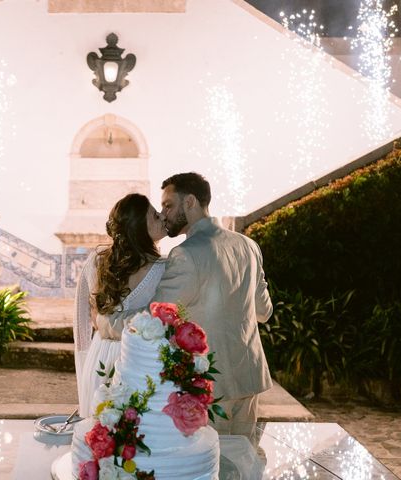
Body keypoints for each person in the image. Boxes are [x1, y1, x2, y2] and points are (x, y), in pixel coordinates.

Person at [102, 172, 273, 444]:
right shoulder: (248, 246)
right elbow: (264, 312)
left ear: (190, 202)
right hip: (250, 379)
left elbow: (155, 319)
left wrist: (108, 323)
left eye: (169, 205)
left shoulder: (186, 254)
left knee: (210, 467)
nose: (164, 214)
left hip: (210, 385)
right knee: (245, 463)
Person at [73, 193, 167, 417]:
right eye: (154, 215)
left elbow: (82, 323)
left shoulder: (96, 260)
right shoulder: (165, 268)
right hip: (138, 359)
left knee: (101, 434)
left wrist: (86, 365)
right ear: (138, 227)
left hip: (100, 355)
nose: (162, 217)